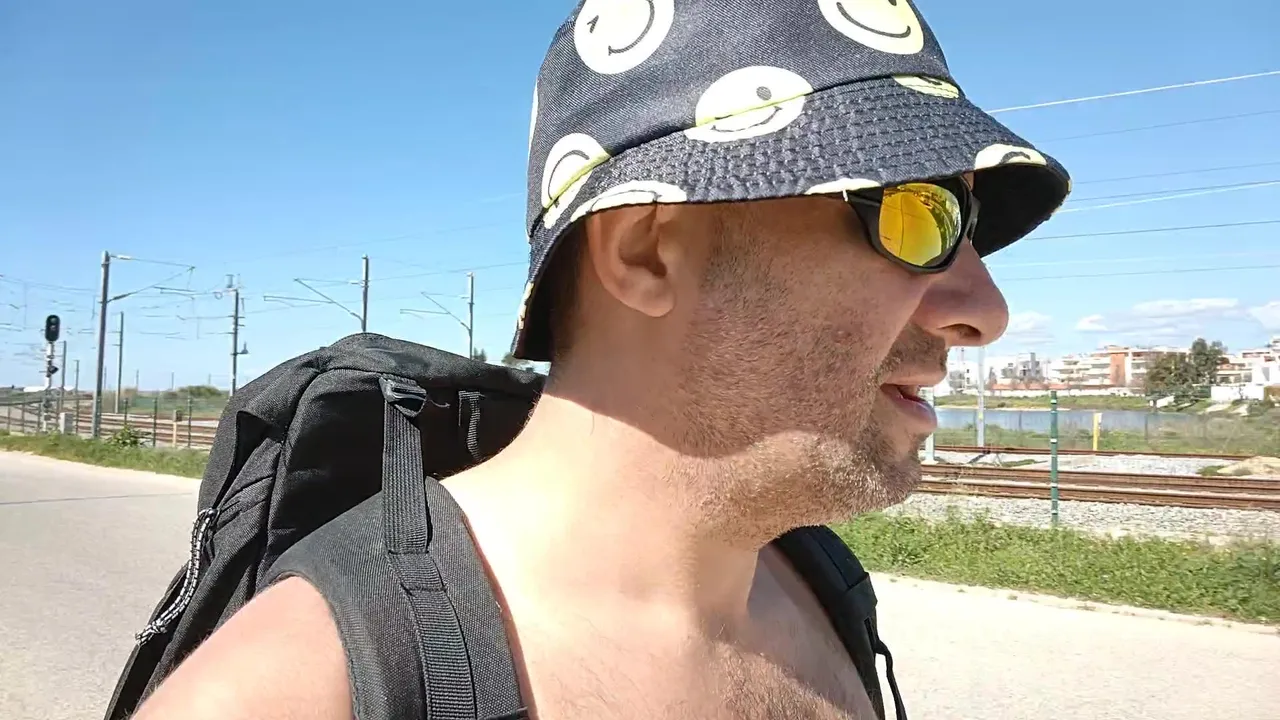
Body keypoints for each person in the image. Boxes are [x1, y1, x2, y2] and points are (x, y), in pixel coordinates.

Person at [132, 0, 1069, 718]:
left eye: (971, 229)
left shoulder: (820, 584)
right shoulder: (302, 689)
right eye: (917, 215)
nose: (986, 311)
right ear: (647, 252)